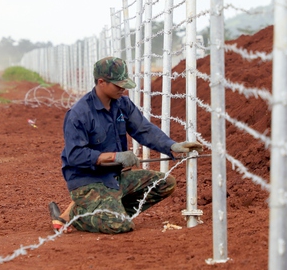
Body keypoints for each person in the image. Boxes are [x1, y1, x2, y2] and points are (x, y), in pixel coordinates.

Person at [49, 56, 203, 234]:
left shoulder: (122, 104)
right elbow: (75, 155)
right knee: (121, 226)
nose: (122, 88)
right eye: (118, 84)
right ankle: (80, 214)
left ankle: (106, 211)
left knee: (164, 183)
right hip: (88, 182)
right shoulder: (79, 114)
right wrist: (115, 157)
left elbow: (143, 129)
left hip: (114, 179)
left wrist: (172, 146)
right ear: (101, 82)